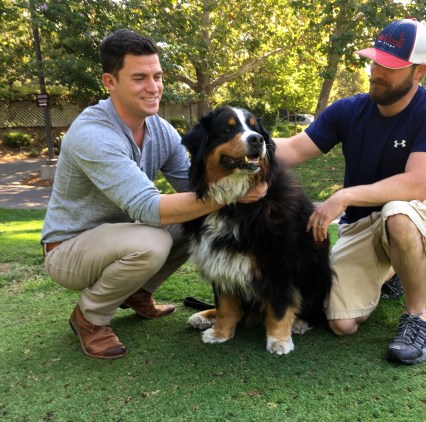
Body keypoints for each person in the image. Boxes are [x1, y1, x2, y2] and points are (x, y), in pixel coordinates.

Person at [40, 29, 266, 360]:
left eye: (157, 76)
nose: (154, 87)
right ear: (110, 81)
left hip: (119, 237)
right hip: (69, 249)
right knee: (154, 242)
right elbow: (148, 207)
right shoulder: (93, 134)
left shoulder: (159, 129)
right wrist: (230, 196)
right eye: (139, 77)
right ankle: (89, 318)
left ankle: (138, 294)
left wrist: (247, 177)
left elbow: (191, 189)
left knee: (196, 225)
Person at [275, 18, 426, 364]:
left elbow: (416, 185)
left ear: (419, 72)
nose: (376, 71)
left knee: (397, 214)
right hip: (360, 224)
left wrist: (343, 196)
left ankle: (417, 317)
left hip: (416, 214)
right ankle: (393, 271)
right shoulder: (348, 110)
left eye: (389, 66)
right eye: (375, 61)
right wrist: (246, 142)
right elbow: (295, 149)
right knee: (340, 323)